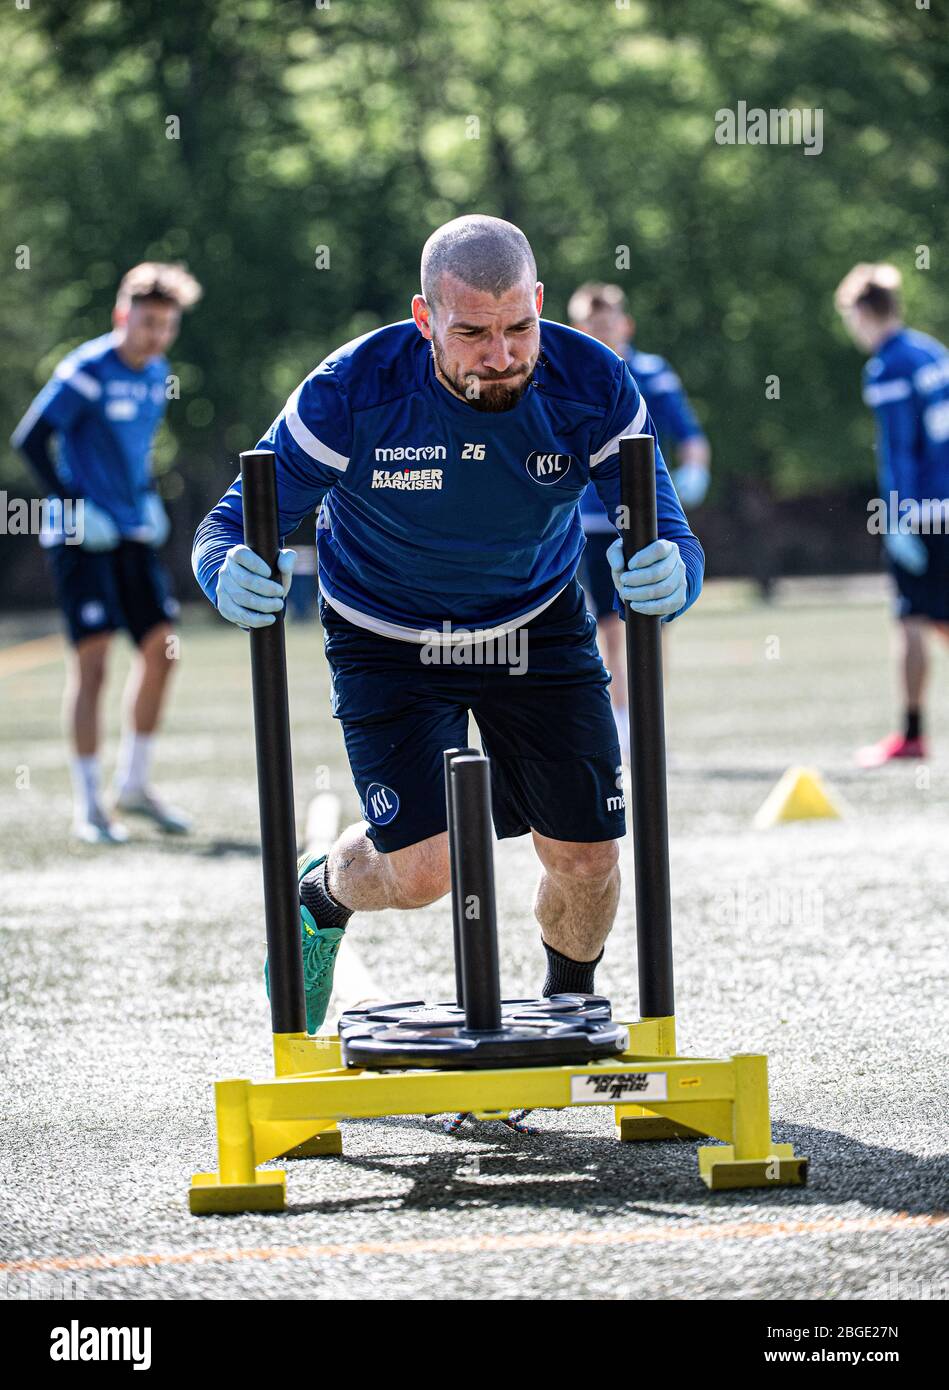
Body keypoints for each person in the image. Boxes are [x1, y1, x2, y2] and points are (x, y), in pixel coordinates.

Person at [193, 215, 704, 1034]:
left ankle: (568, 1007)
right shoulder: (351, 390)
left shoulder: (592, 382)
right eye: (470, 332)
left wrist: (676, 572)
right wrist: (222, 572)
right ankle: (320, 895)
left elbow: (668, 530)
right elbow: (227, 525)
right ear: (425, 317)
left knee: (587, 856)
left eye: (518, 328)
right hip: (386, 633)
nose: (500, 355)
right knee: (425, 867)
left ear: (539, 302)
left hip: (534, 621)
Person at [12, 261, 202, 842]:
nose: (156, 336)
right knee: (92, 664)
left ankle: (134, 785)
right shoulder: (87, 370)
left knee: (161, 650)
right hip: (81, 537)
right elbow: (30, 440)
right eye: (147, 323)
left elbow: (129, 450)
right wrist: (74, 507)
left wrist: (144, 496)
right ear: (123, 316)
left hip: (129, 533)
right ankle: (90, 806)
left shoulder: (156, 374)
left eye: (166, 326)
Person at [568, 283, 710, 760]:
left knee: (653, 619)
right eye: (591, 328)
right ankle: (624, 720)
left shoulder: (651, 372)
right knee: (609, 623)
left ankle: (651, 712)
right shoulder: (574, 377)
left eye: (608, 325)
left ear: (625, 325)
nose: (602, 334)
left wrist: (694, 470)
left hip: (645, 517)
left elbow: (688, 433)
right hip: (591, 518)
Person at [835, 263, 949, 765]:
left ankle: (912, 733)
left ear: (862, 312)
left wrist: (897, 513)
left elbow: (898, 448)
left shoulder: (887, 366)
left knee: (910, 619)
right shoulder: (931, 351)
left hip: (924, 510)